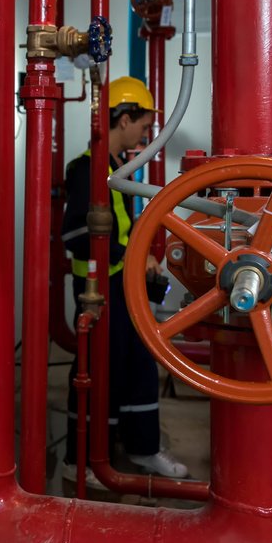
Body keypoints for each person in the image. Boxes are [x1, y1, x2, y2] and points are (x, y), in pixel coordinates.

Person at [61, 75, 189, 486]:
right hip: (99, 291)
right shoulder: (87, 171)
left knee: (138, 366)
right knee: (98, 371)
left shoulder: (119, 170)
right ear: (122, 118)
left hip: (124, 287)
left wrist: (140, 259)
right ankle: (79, 460)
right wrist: (128, 255)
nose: (145, 133)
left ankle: (142, 448)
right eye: (142, 124)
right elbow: (74, 235)